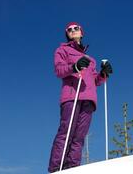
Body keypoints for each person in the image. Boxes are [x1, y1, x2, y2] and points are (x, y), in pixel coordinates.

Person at [48, 22, 113, 173]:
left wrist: (103, 74)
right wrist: (74, 67)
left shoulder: (90, 60)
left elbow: (95, 80)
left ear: (81, 32)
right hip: (72, 95)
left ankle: (72, 169)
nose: (72, 30)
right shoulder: (62, 50)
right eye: (69, 30)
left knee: (79, 136)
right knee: (66, 132)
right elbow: (59, 70)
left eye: (75, 28)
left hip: (89, 98)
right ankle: (56, 169)